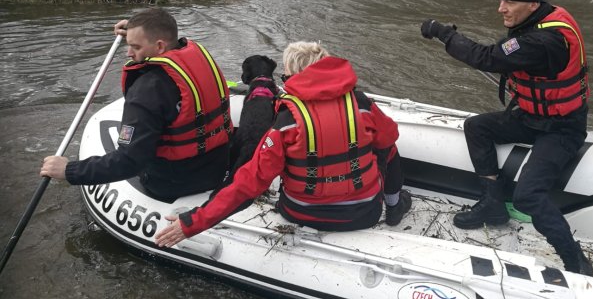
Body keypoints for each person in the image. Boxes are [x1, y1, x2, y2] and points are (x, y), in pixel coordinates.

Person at [420, 0, 593, 276]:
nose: (501, 9)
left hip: (562, 127)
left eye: (509, 3)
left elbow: (485, 58)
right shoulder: (538, 18)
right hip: (531, 116)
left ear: (531, 4)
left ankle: (577, 262)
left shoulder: (544, 40)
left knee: (529, 195)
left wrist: (443, 33)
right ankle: (492, 204)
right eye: (501, 1)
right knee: (477, 127)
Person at [155, 41, 411, 247]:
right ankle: (393, 205)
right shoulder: (361, 104)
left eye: (285, 76)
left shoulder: (286, 121)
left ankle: (383, 202)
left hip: (299, 212)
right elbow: (390, 136)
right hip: (363, 213)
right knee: (387, 146)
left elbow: (248, 183)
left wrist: (192, 222)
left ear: (296, 77)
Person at [40, 8, 232, 201]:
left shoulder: (147, 91)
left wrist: (69, 171)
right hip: (216, 166)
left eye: (136, 47)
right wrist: (135, 30)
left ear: (159, 47)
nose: (128, 52)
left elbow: (129, 161)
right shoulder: (195, 55)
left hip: (173, 183)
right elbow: (158, 30)